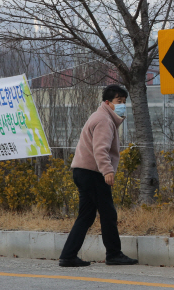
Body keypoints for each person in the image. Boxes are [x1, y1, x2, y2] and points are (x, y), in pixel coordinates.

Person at [59, 85, 138, 267]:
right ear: (108, 103)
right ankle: (114, 254)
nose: (122, 106)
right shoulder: (104, 120)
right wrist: (107, 170)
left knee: (86, 216)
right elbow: (100, 149)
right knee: (108, 213)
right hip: (93, 173)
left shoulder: (100, 116)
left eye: (124, 102)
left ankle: (68, 255)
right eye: (119, 102)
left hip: (83, 171)